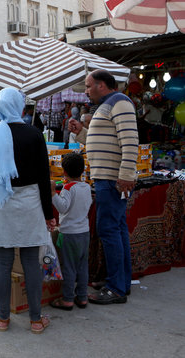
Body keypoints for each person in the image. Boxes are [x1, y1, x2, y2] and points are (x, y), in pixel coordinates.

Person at [0, 87, 54, 334]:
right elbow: (44, 177)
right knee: (31, 261)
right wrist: (49, 213)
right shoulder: (34, 134)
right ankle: (35, 320)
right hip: (31, 200)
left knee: (3, 261)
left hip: (2, 200)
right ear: (19, 106)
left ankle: (2, 319)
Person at [68, 69, 138, 305]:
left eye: (88, 86)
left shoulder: (120, 102)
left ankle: (116, 288)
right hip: (107, 178)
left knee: (109, 229)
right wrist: (81, 133)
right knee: (116, 229)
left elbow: (129, 140)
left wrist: (127, 174)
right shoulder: (107, 105)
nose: (86, 91)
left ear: (101, 85)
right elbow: (102, 140)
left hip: (112, 179)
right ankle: (120, 281)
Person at [48, 153, 92, 311]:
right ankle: (82, 296)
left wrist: (53, 193)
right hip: (84, 232)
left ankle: (67, 299)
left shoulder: (68, 188)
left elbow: (62, 207)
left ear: (64, 171)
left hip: (70, 233)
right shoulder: (86, 187)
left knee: (69, 267)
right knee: (82, 266)